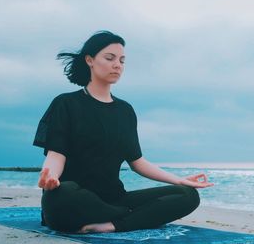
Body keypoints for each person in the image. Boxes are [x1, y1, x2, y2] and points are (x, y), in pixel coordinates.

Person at [33, 30, 213, 233]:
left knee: (187, 195)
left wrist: (180, 180)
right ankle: (132, 216)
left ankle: (112, 225)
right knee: (64, 192)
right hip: (73, 200)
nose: (117, 65)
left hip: (115, 199)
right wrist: (51, 177)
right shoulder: (65, 103)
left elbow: (137, 162)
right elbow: (56, 155)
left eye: (122, 60)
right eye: (109, 58)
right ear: (90, 60)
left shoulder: (125, 111)